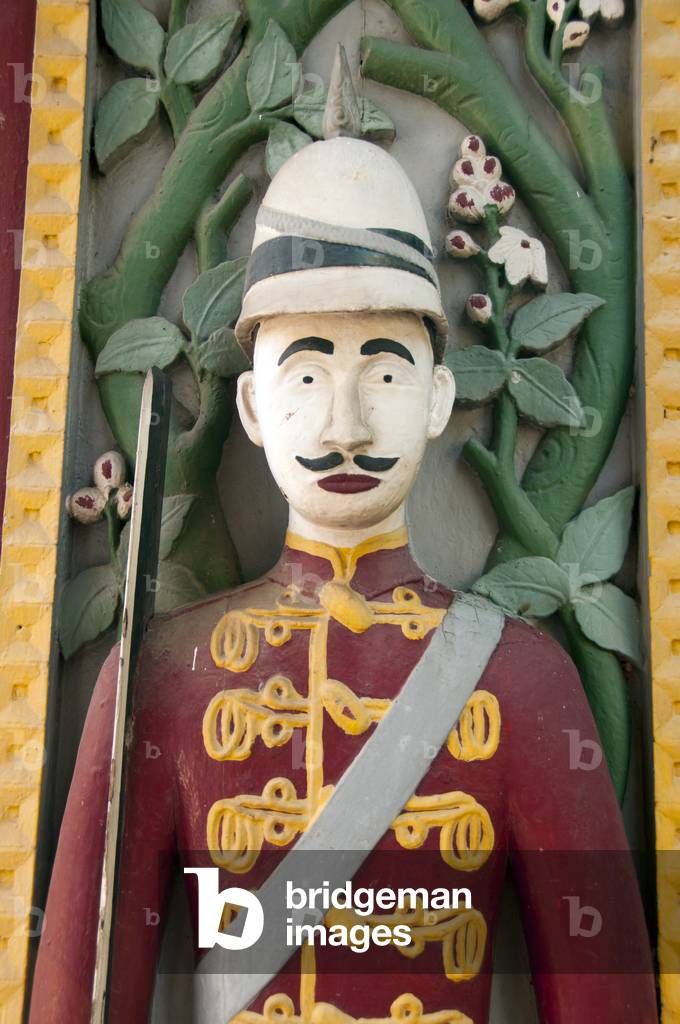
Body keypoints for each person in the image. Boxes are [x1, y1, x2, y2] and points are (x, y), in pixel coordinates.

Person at [29, 137, 658, 1023]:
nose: (347, 426)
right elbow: (76, 997)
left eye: (387, 373)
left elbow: (608, 1003)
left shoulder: (524, 683)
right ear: (253, 405)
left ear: (438, 398)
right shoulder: (158, 682)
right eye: (307, 374)